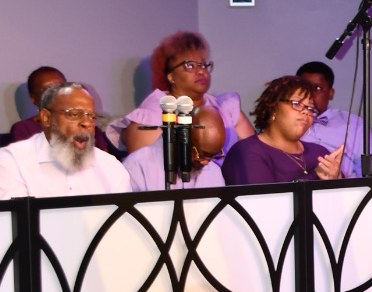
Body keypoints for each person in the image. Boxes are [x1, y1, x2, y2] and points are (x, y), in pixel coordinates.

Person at [107, 32, 253, 156]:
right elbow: (144, 171)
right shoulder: (149, 117)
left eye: (203, 64)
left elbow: (253, 155)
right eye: (190, 65)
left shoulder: (225, 108)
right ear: (170, 76)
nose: (201, 71)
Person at [0, 84, 131, 198]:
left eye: (92, 116)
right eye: (74, 114)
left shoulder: (111, 166)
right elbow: (16, 218)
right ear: (46, 118)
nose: (87, 123)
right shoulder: (12, 162)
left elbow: (123, 218)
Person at [222, 77, 344, 184]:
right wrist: (315, 176)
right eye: (297, 103)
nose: (306, 111)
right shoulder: (247, 151)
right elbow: (264, 200)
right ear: (274, 108)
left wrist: (338, 178)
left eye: (311, 108)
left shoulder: (320, 153)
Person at [294, 60, 372, 175]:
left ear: (330, 93)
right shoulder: (289, 122)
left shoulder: (355, 124)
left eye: (318, 88)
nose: (310, 94)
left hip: (345, 185)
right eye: (305, 87)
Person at [122, 107, 227, 191]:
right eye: (200, 154)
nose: (205, 162)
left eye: (212, 156)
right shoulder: (137, 167)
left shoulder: (214, 173)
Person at [9, 66, 110, 151]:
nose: (57, 93)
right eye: (47, 89)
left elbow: (106, 163)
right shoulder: (24, 129)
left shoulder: (86, 124)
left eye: (61, 87)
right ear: (33, 98)